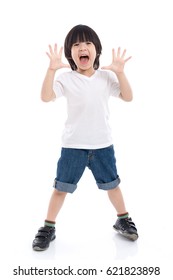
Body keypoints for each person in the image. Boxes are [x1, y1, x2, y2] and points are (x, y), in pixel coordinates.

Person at [32, 24, 138, 251]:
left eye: (88, 43)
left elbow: (127, 97)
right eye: (77, 44)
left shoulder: (106, 77)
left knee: (113, 185)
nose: (83, 48)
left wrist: (120, 72)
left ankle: (123, 218)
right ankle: (48, 227)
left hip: (103, 146)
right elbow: (46, 96)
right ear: (70, 53)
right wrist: (51, 70)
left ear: (96, 50)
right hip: (73, 147)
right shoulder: (66, 79)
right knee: (61, 188)